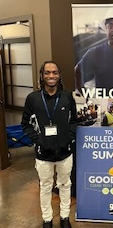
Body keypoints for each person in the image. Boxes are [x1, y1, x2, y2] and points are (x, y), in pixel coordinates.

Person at [21, 61, 77, 228]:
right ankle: (47, 219)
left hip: (64, 152)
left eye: (54, 72)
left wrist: (68, 137)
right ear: (42, 75)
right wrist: (38, 140)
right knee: (45, 186)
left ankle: (65, 217)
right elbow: (25, 124)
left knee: (65, 185)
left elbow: (74, 121)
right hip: (43, 154)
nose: (51, 76)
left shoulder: (67, 97)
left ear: (59, 75)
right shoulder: (33, 98)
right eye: (47, 73)